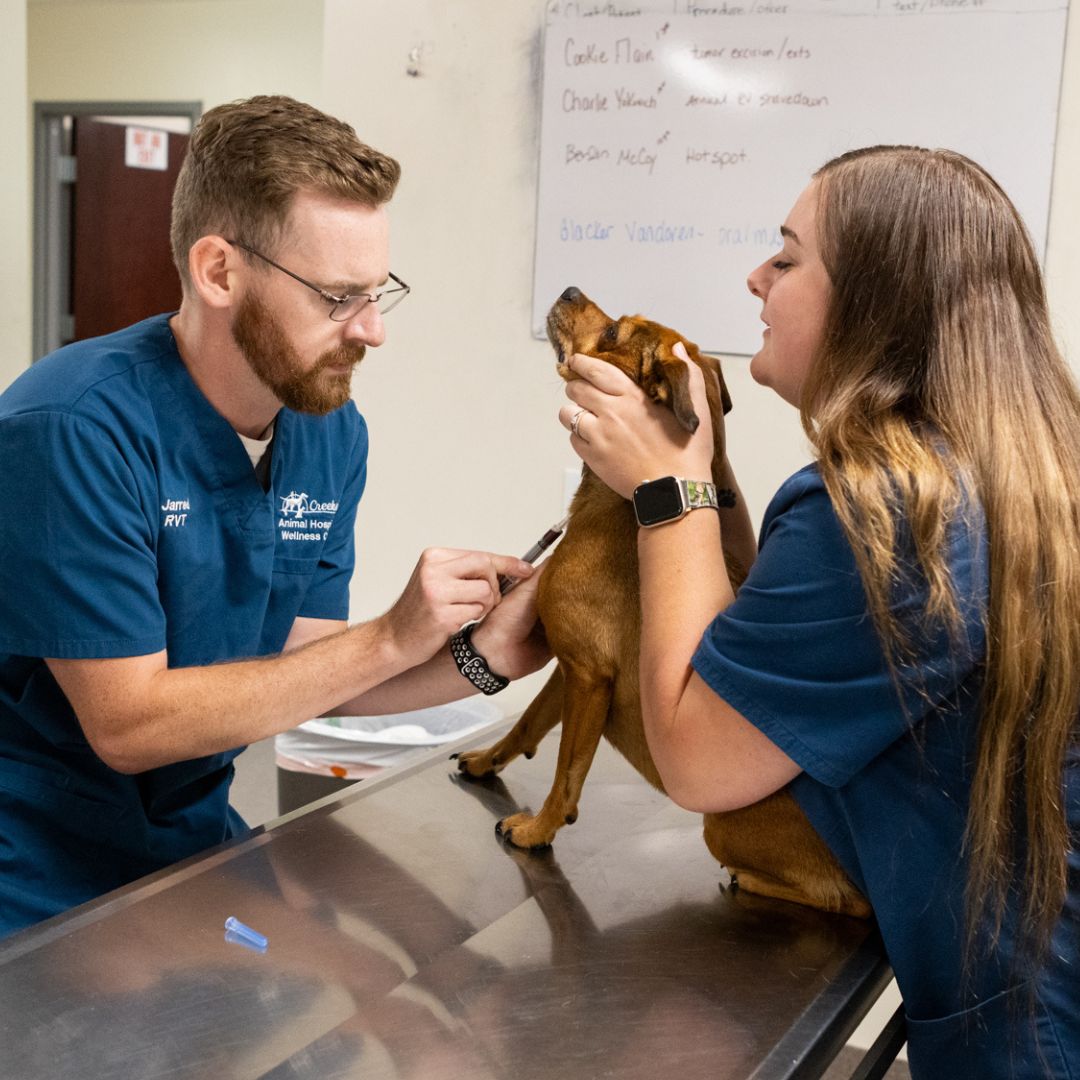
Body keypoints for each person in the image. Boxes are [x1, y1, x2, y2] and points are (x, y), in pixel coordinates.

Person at [559, 146, 1079, 1078]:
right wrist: (699, 470)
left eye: (788, 257)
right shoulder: (1011, 475)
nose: (756, 278)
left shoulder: (885, 512)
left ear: (874, 305)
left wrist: (669, 491)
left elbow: (697, 757)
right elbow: (766, 649)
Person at [0, 96, 548, 940]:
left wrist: (482, 658)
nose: (372, 331)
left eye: (378, 294)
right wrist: (390, 636)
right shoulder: (70, 429)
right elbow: (128, 724)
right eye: (338, 297)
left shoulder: (329, 432)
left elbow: (303, 667)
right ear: (219, 272)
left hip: (187, 842)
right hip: (35, 867)